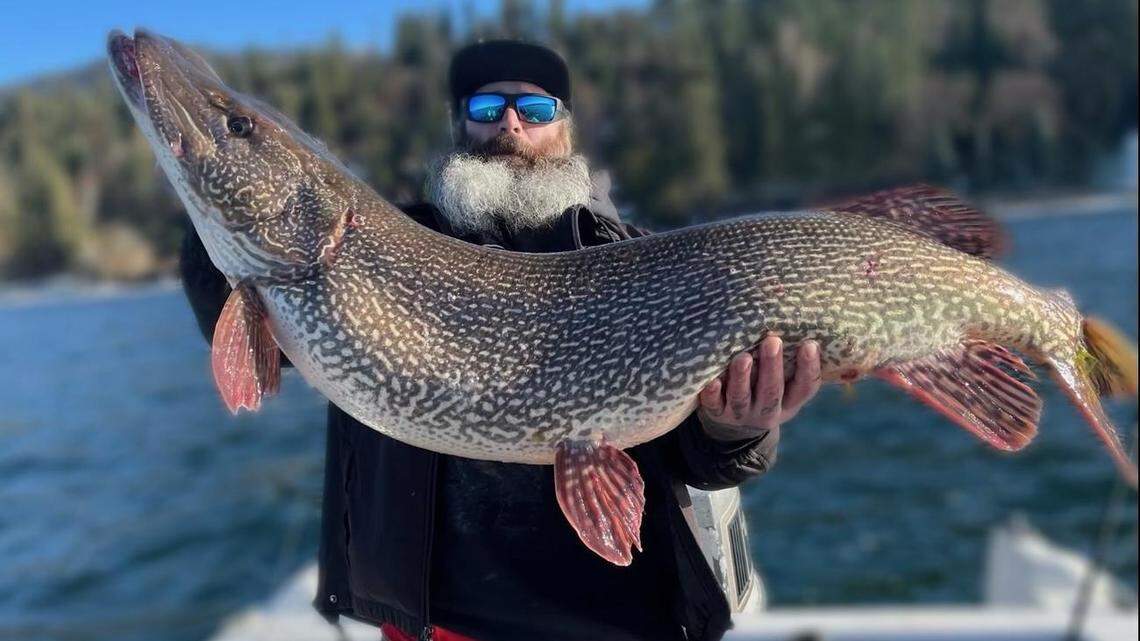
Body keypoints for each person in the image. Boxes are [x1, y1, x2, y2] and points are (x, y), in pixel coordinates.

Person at [179, 40, 822, 641]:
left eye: (534, 108)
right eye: (488, 107)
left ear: (564, 128)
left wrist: (741, 427)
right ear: (461, 127)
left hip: (621, 620)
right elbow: (241, 325)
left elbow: (702, 458)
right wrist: (215, 207)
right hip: (436, 621)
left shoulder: (635, 259)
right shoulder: (383, 242)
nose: (510, 126)